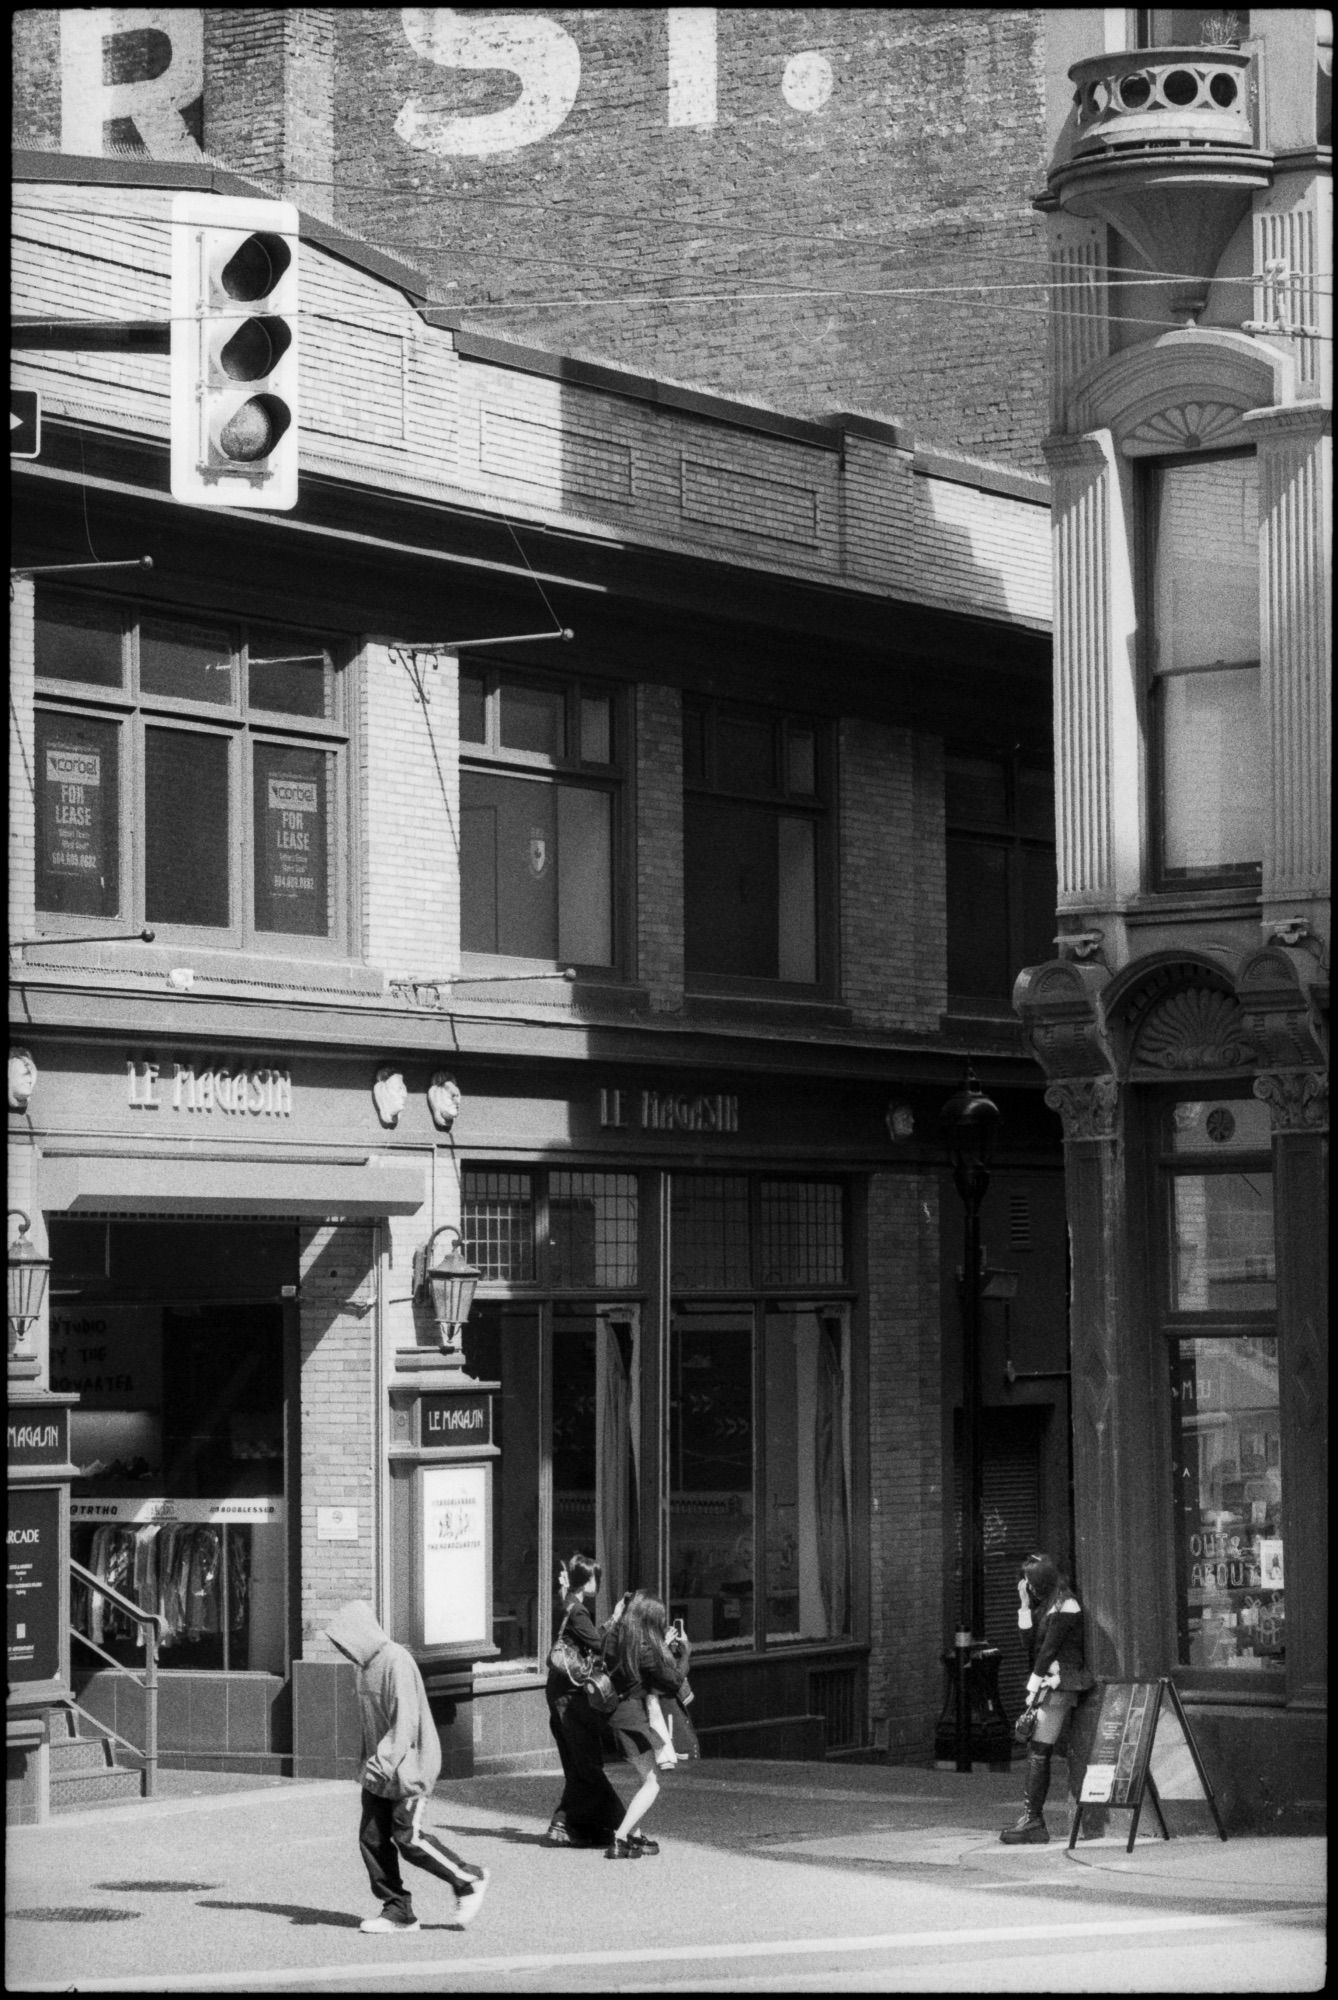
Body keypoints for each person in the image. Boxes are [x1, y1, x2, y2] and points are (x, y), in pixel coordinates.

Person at [326, 1599, 490, 1933]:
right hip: (381, 1772)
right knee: (372, 1839)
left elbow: (406, 1721)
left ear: (360, 1634)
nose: (343, 1651)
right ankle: (398, 1910)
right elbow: (371, 1723)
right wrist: (367, 1765)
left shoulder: (395, 1660)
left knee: (408, 1837)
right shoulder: (363, 1667)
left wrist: (383, 1761)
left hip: (410, 1766)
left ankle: (467, 1878)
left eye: (345, 1643)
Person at [577, 1588, 687, 1859]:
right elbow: (673, 1682)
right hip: (631, 1720)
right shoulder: (648, 1651)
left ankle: (635, 1836)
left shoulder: (614, 1637)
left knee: (644, 1777)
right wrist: (685, 1654)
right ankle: (619, 1838)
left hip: (609, 1716)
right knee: (652, 1783)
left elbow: (622, 1654)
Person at [999, 1552, 1097, 1846]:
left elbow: (1048, 1650)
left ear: (1040, 1579)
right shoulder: (1049, 1605)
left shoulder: (1066, 1605)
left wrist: (1032, 1687)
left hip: (1059, 1684)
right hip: (1050, 1684)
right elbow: (1029, 1644)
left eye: (1028, 1580)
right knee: (1037, 1749)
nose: (1026, 1585)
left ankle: (1034, 1821)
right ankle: (1031, 1819)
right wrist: (1024, 1606)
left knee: (1039, 1750)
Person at [542, 1554, 623, 1849]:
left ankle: (589, 1827)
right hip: (570, 1696)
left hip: (559, 1692)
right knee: (585, 1764)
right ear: (586, 1580)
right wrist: (615, 1619)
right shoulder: (577, 1611)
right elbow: (600, 1645)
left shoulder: (565, 1604)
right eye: (595, 1578)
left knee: (579, 1763)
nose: (597, 1584)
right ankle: (566, 1823)